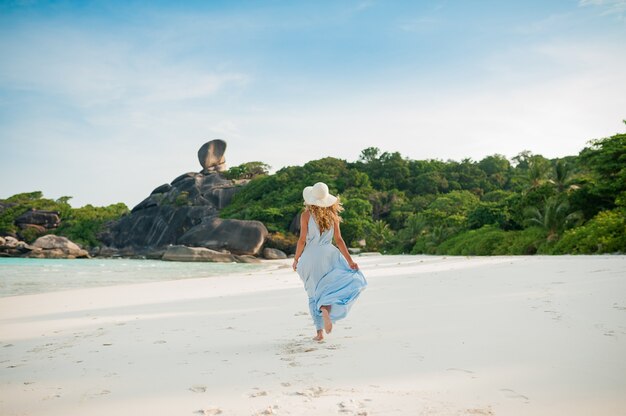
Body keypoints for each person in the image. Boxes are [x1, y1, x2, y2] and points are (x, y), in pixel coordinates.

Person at [292, 182, 367, 341]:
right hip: (328, 255)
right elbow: (339, 240)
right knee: (328, 288)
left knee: (313, 294)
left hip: (310, 257)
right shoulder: (333, 216)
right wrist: (350, 261)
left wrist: (296, 259)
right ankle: (326, 307)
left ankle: (319, 333)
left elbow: (302, 240)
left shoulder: (305, 215)